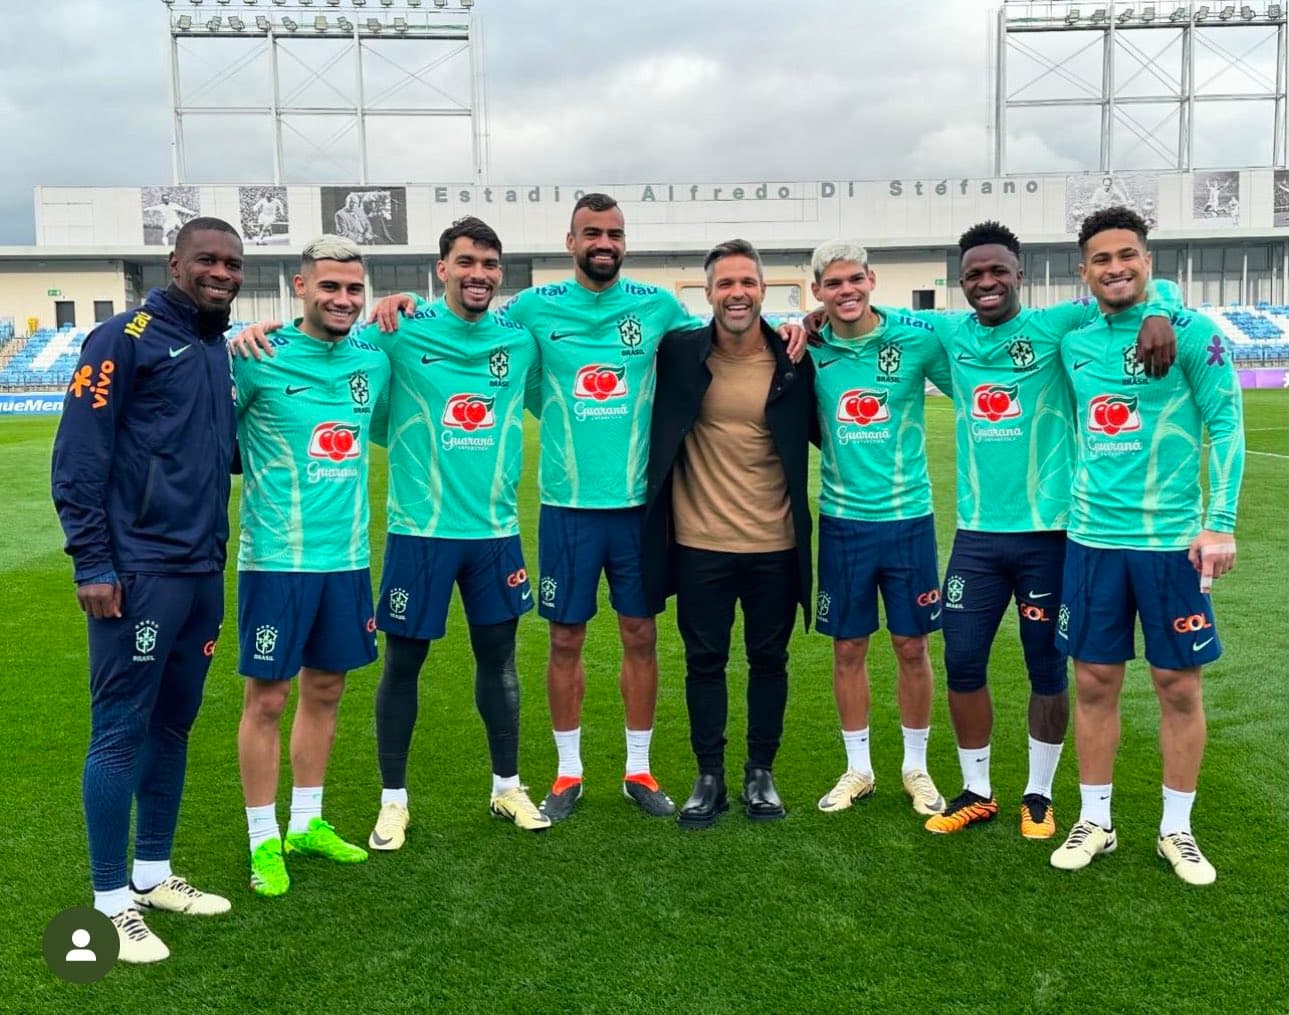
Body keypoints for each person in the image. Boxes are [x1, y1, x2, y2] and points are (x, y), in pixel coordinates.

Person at [372, 195, 806, 823]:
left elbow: (724, 330)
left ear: (624, 242)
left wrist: (800, 323)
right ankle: (568, 772)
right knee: (566, 637)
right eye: (591, 233)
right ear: (570, 241)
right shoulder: (531, 309)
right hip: (566, 506)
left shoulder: (656, 307)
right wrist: (399, 299)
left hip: (640, 507)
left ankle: (639, 768)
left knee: (640, 634)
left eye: (615, 233)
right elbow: (475, 318)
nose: (604, 242)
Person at [231, 217, 550, 841]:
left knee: (500, 663)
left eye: (489, 264)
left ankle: (507, 788)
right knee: (402, 667)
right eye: (465, 262)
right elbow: (352, 393)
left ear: (500, 273)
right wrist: (251, 331)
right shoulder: (396, 332)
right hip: (418, 530)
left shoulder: (522, 339)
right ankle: (393, 799)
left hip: (496, 530)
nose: (478, 274)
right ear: (443, 269)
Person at [921, 221, 1180, 840]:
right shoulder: (946, 332)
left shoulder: (1058, 324)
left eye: (998, 271)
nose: (986, 282)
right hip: (977, 535)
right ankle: (977, 789)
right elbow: (870, 317)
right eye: (974, 274)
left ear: (1020, 275)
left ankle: (1038, 794)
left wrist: (1161, 310)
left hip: (1050, 533)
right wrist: (813, 320)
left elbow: (1133, 282)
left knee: (1047, 667)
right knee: (961, 661)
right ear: (961, 283)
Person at [51, 217, 243, 964]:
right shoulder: (122, 337)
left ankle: (154, 873)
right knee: (121, 729)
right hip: (138, 573)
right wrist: (93, 563)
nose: (222, 271)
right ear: (175, 262)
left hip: (201, 572)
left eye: (232, 262)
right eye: (208, 260)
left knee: (173, 725)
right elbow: (78, 458)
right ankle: (108, 904)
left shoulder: (212, 342)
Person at [1050, 206, 1244, 885]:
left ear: (1146, 261)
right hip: (1091, 540)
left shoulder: (1188, 332)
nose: (1115, 267)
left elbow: (1226, 423)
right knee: (1093, 681)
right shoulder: (1073, 339)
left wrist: (1218, 520)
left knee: (1176, 686)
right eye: (1100, 259)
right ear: (1083, 271)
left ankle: (1175, 829)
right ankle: (1095, 820)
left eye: (1126, 255)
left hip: (1171, 545)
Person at [233, 235, 390, 898]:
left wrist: (407, 302)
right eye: (330, 286)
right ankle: (261, 839)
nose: (343, 299)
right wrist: (230, 340)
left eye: (354, 288)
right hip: (275, 562)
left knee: (326, 689)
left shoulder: (371, 360)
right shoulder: (255, 356)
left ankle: (307, 821)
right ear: (300, 286)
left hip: (346, 559)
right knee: (267, 697)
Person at [642, 239, 816, 828]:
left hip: (776, 543)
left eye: (747, 282)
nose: (736, 293)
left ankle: (760, 773)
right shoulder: (678, 352)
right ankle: (709, 776)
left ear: (763, 290)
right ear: (708, 292)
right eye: (725, 284)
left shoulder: (796, 357)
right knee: (704, 661)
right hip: (699, 544)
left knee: (770, 660)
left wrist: (810, 323)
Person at [805, 241, 953, 818]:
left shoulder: (916, 339)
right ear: (818, 291)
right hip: (842, 521)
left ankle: (915, 766)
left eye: (854, 280)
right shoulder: (809, 347)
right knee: (849, 645)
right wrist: (802, 325)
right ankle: (858, 768)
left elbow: (970, 370)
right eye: (833, 284)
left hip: (909, 518)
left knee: (912, 645)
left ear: (871, 279)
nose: (846, 292)